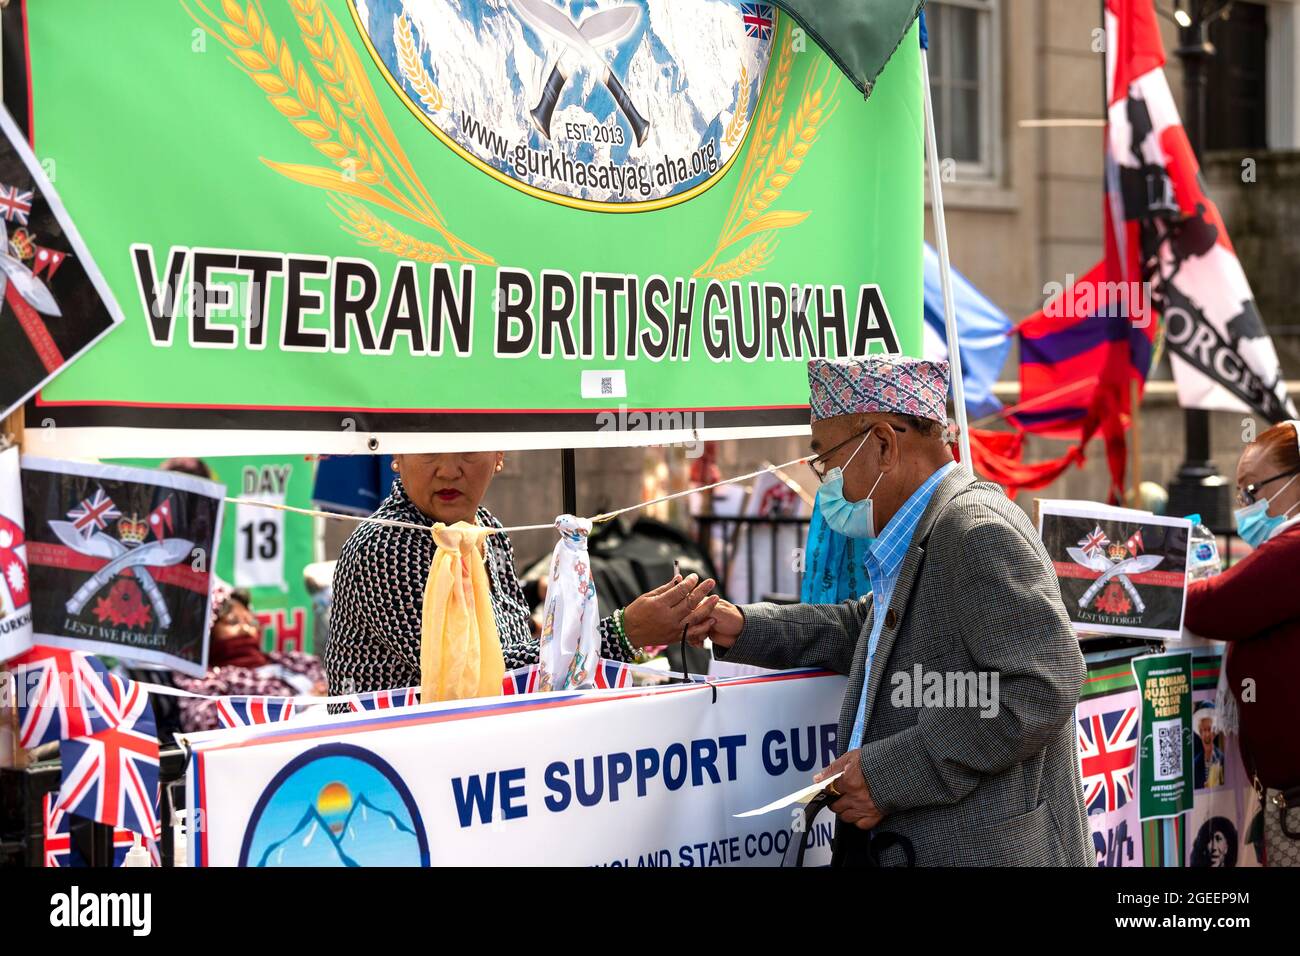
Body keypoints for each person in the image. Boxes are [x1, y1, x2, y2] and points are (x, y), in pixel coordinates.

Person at [683, 356, 1092, 867]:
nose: (827, 483)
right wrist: (742, 625)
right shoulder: (927, 528)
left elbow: (1041, 687)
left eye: (826, 460)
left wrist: (886, 774)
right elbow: (869, 628)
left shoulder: (974, 530)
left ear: (882, 444)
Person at [327, 452, 714, 697]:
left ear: (499, 455)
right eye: (429, 452)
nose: (448, 469)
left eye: (468, 450)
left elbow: (510, 650)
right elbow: (478, 677)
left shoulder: (487, 531)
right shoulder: (387, 545)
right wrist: (623, 633)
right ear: (397, 456)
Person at [1184, 420, 1300, 865]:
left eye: (1251, 491)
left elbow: (1214, 605)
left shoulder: (1293, 549)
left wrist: (1152, 585)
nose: (1243, 506)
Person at [173, 582, 326, 732]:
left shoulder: (295, 661)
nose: (246, 629)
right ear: (207, 632)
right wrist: (302, 705)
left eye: (251, 622)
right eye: (233, 622)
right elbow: (210, 726)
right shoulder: (203, 682)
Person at [1192, 701, 1224, 790]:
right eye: (1203, 730)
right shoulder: (1195, 765)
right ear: (1200, 733)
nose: (1206, 734)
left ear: (1214, 732)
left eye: (1209, 729)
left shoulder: (1222, 759)